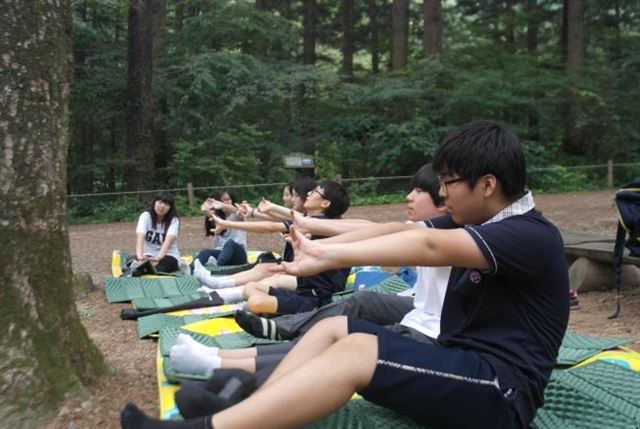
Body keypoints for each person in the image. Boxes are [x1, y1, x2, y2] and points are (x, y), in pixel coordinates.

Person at [122, 120, 569, 429]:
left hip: (499, 393)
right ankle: (253, 407)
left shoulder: (527, 235)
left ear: (487, 185)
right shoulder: (482, 221)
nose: (442, 192)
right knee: (336, 327)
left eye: (449, 182)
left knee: (357, 352)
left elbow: (426, 245)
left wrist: (322, 256)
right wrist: (319, 251)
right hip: (464, 365)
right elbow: (395, 230)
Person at [169, 163, 450, 382]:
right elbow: (372, 229)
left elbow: (376, 235)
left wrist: (321, 250)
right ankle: (225, 310)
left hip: (317, 297)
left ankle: (229, 353)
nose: (408, 196)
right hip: (410, 311)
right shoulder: (429, 227)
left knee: (270, 279)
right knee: (269, 272)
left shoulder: (459, 236)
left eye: (419, 191)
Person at [198, 180, 351, 315]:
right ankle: (221, 289)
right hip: (307, 283)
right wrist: (254, 212)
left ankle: (227, 295)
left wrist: (228, 222)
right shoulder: (313, 220)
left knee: (270, 279)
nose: (290, 198)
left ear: (325, 203)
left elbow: (271, 225)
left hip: (320, 291)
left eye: (294, 195)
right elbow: (280, 218)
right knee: (260, 277)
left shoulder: (320, 223)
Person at [195, 189, 248, 268]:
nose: (224, 202)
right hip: (221, 253)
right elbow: (208, 213)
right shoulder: (217, 217)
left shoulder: (237, 214)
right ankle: (189, 270)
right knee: (205, 252)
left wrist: (223, 205)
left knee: (230, 243)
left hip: (238, 255)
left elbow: (238, 211)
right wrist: (205, 209)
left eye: (227, 200)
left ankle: (217, 266)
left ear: (232, 200)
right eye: (221, 200)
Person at [133, 191, 181, 274]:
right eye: (160, 202)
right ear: (154, 202)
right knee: (133, 259)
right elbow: (140, 238)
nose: (162, 206)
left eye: (166, 204)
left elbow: (167, 242)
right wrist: (140, 257)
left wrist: (158, 258)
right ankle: (145, 268)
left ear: (170, 207)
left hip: (167, 255)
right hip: (148, 255)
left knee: (171, 264)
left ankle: (144, 269)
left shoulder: (174, 220)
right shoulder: (145, 216)